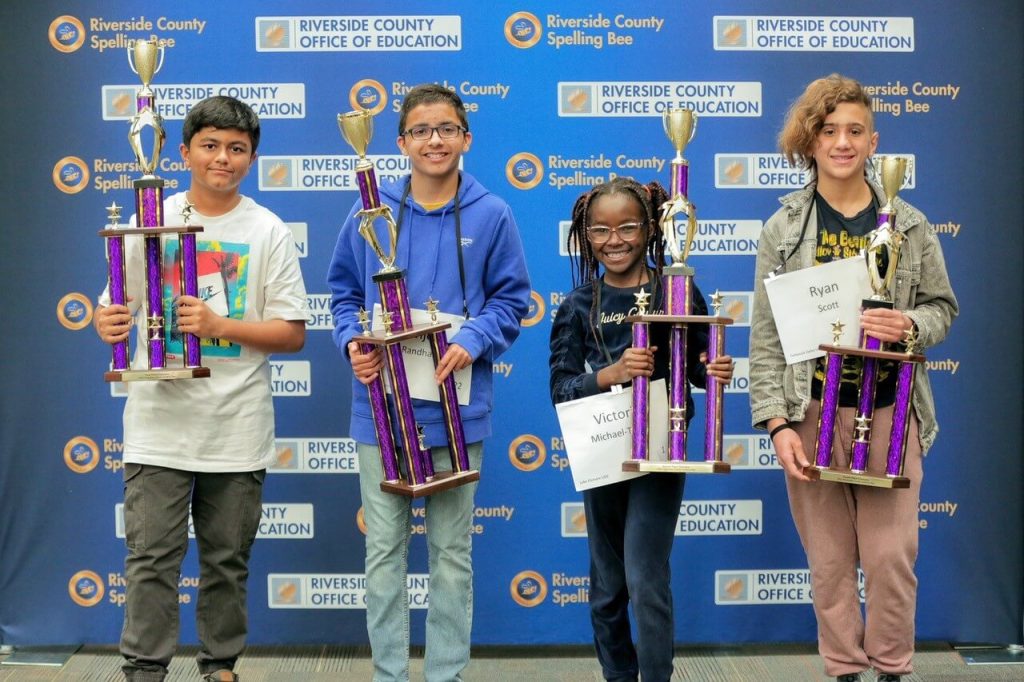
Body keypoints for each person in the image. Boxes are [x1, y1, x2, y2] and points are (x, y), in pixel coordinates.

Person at [749, 74, 958, 682]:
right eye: (828, 130)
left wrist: (909, 325)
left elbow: (943, 308)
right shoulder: (782, 229)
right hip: (811, 409)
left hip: (893, 410)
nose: (842, 142)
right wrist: (776, 421)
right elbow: (766, 334)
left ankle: (893, 668)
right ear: (809, 142)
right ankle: (843, 669)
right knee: (831, 562)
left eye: (854, 131)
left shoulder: (911, 225)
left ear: (875, 142)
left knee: (892, 557)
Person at [94, 95, 308, 682]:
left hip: (236, 430)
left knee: (226, 561)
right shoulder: (149, 215)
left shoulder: (268, 230)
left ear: (253, 157)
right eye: (210, 146)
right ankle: (144, 669)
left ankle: (219, 666)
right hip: (158, 427)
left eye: (237, 149)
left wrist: (220, 326)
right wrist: (104, 318)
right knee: (151, 561)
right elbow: (115, 302)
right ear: (183, 151)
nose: (223, 158)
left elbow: (292, 333)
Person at [327, 84, 530, 682]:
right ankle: (389, 673)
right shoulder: (371, 211)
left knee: (450, 556)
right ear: (401, 143)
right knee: (383, 551)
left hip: (457, 411)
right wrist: (352, 343)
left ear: (466, 137)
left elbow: (512, 300)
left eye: (446, 129)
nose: (434, 140)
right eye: (421, 130)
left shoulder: (493, 212)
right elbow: (342, 295)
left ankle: (446, 674)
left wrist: (474, 339)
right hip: (381, 411)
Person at [549, 176, 734, 682]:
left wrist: (713, 370)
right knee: (608, 585)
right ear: (584, 235)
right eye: (600, 230)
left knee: (646, 579)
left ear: (651, 229)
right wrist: (609, 375)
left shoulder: (676, 289)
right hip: (603, 455)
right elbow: (560, 388)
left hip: (660, 452)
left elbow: (695, 367)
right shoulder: (575, 305)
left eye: (628, 227)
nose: (615, 240)